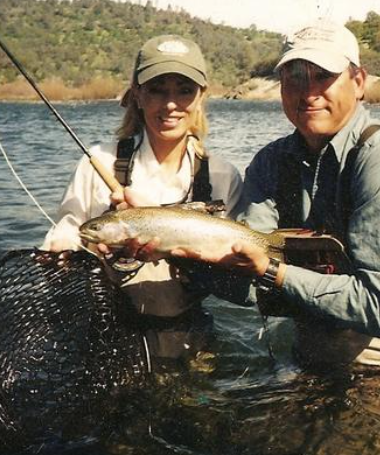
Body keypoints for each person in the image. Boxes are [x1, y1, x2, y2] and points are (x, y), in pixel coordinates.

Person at [175, 20, 380, 375]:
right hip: (314, 359)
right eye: (294, 77)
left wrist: (271, 270)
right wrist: (178, 256)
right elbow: (253, 288)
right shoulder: (270, 163)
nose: (308, 92)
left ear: (358, 83)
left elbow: (378, 308)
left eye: (323, 76)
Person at [41, 34, 243, 366]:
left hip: (189, 332)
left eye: (184, 90)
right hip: (107, 330)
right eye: (157, 90)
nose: (170, 104)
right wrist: (59, 251)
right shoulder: (98, 163)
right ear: (137, 94)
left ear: (201, 96)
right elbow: (69, 230)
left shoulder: (224, 176)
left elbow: (233, 276)